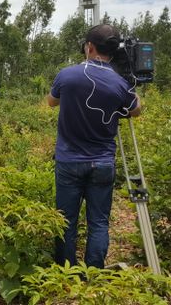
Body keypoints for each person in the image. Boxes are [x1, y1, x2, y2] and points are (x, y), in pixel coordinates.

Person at [46, 24, 141, 269]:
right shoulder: (120, 83)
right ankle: (94, 272)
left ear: (88, 47)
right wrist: (130, 79)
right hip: (102, 163)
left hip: (68, 162)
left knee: (65, 219)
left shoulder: (67, 75)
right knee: (98, 222)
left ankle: (67, 271)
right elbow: (136, 111)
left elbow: (51, 102)